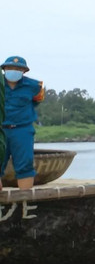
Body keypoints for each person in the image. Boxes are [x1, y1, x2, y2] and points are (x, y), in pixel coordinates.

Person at [2, 56, 46, 190]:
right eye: (10, 68)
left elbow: (36, 101)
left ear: (24, 71)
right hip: (0, 130)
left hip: (22, 130)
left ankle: (25, 202)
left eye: (17, 68)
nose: (13, 71)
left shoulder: (34, 86)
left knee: (25, 165)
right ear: (4, 69)